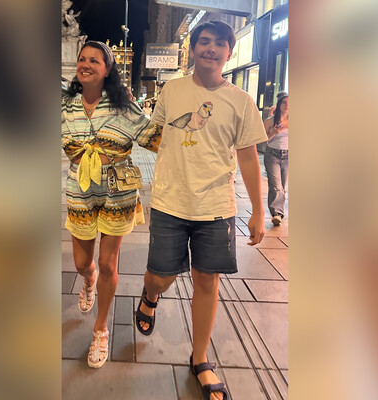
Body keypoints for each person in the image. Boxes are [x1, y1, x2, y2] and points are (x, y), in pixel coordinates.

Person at [135, 21, 267, 400]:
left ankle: (200, 359)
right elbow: (155, 135)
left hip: (216, 207)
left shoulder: (242, 101)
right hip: (170, 201)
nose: (211, 48)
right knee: (161, 277)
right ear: (192, 49)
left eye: (219, 44)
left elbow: (248, 158)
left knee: (207, 281)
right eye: (204, 42)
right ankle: (150, 296)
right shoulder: (172, 90)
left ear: (229, 52)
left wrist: (258, 211)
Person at [61, 41, 161, 369]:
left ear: (107, 70)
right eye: (82, 59)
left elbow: (153, 137)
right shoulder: (65, 105)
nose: (86, 64)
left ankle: (101, 329)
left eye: (95, 60)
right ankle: (88, 279)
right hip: (80, 189)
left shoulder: (123, 106)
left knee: (108, 263)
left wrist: (195, 138)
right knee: (82, 263)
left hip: (117, 191)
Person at [263, 92, 289, 226]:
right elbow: (262, 140)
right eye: (284, 102)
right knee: (276, 185)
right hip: (272, 154)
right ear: (279, 104)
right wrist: (274, 132)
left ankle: (279, 211)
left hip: (288, 156)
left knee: (282, 186)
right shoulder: (270, 121)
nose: (287, 105)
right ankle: (277, 213)